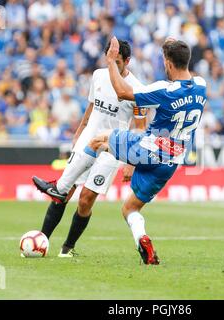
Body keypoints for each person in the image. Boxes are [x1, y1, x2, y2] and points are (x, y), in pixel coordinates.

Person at [34, 37, 207, 265]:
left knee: (98, 142)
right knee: (129, 208)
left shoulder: (163, 89)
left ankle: (60, 188)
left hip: (149, 148)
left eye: (165, 61)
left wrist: (110, 63)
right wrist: (171, 47)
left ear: (168, 63)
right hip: (171, 161)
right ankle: (142, 239)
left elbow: (123, 93)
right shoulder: (202, 85)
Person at [32, 39, 147, 258]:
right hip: (87, 141)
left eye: (118, 62)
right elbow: (92, 106)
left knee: (85, 200)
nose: (113, 65)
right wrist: (80, 131)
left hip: (112, 150)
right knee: (62, 192)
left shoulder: (138, 90)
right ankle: (41, 241)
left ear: (128, 61)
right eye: (110, 60)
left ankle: (67, 248)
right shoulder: (98, 76)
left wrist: (131, 162)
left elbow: (141, 128)